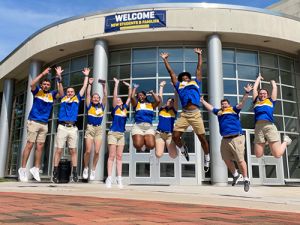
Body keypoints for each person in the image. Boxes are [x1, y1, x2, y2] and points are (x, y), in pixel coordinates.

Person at [160, 48, 210, 170]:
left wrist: (199, 55)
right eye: (183, 77)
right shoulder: (179, 85)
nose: (185, 78)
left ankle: (207, 158)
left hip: (196, 114)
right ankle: (183, 149)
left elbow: (199, 68)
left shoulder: (196, 83)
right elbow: (171, 73)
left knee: (202, 138)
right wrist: (165, 60)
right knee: (176, 136)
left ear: (190, 78)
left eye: (187, 77)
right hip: (185, 114)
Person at [201, 83, 253, 192]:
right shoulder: (219, 112)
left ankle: (246, 179)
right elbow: (211, 108)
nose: (224, 105)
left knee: (240, 160)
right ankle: (235, 174)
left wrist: (247, 92)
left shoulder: (234, 110)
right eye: (222, 104)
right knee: (225, 158)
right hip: (225, 139)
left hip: (236, 138)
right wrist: (202, 101)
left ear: (229, 104)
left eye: (225, 104)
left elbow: (242, 103)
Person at [18, 67, 63, 182]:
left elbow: (61, 93)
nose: (47, 85)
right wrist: (42, 74)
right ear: (42, 85)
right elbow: (32, 84)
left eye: (48, 84)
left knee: (40, 146)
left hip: (44, 124)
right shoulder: (37, 91)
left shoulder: (52, 94)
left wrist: (59, 78)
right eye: (45, 84)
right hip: (33, 121)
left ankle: (36, 169)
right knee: (30, 144)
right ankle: (23, 169)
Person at [52, 67, 89, 183]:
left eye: (71, 92)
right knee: (59, 150)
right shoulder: (63, 98)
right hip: (62, 127)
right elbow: (60, 88)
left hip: (73, 128)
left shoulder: (77, 98)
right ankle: (55, 172)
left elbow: (84, 87)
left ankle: (74, 173)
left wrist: (86, 76)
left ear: (74, 93)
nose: (70, 93)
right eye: (68, 92)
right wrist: (59, 77)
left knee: (73, 150)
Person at [252, 74, 292, 158]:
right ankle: (266, 142)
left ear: (267, 95)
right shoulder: (256, 101)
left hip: (269, 126)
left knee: (277, 155)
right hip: (258, 127)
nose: (262, 95)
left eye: (264, 93)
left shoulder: (271, 101)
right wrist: (259, 78)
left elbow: (275, 89)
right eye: (261, 93)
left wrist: (273, 82)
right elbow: (255, 88)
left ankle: (286, 141)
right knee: (258, 155)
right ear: (258, 95)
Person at [106, 78, 131, 188]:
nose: (119, 100)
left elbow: (130, 97)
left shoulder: (125, 108)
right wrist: (116, 84)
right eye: (118, 100)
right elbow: (115, 96)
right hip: (113, 133)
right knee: (112, 156)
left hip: (121, 134)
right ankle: (109, 178)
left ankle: (119, 179)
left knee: (119, 156)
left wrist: (129, 86)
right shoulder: (115, 108)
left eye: (121, 100)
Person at [82, 78, 107, 181]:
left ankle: (93, 169)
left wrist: (103, 86)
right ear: (92, 99)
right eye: (94, 98)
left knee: (97, 151)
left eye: (97, 98)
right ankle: (86, 168)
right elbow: (87, 94)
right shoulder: (89, 106)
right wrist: (90, 84)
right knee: (88, 151)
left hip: (99, 129)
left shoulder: (102, 106)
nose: (95, 99)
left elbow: (105, 95)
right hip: (90, 128)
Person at [131, 84, 160, 151]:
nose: (140, 97)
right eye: (138, 96)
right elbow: (132, 97)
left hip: (148, 127)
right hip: (138, 126)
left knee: (151, 146)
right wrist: (135, 88)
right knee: (138, 145)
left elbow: (158, 101)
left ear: (145, 96)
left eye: (141, 95)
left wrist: (152, 93)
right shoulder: (136, 104)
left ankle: (144, 141)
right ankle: (141, 142)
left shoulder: (151, 105)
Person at [155, 81, 178, 159]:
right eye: (169, 101)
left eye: (172, 102)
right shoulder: (161, 109)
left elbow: (176, 99)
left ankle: (178, 145)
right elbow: (160, 99)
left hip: (169, 135)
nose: (171, 102)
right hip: (159, 134)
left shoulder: (174, 111)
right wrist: (161, 86)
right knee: (158, 155)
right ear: (166, 102)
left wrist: (175, 88)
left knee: (173, 156)